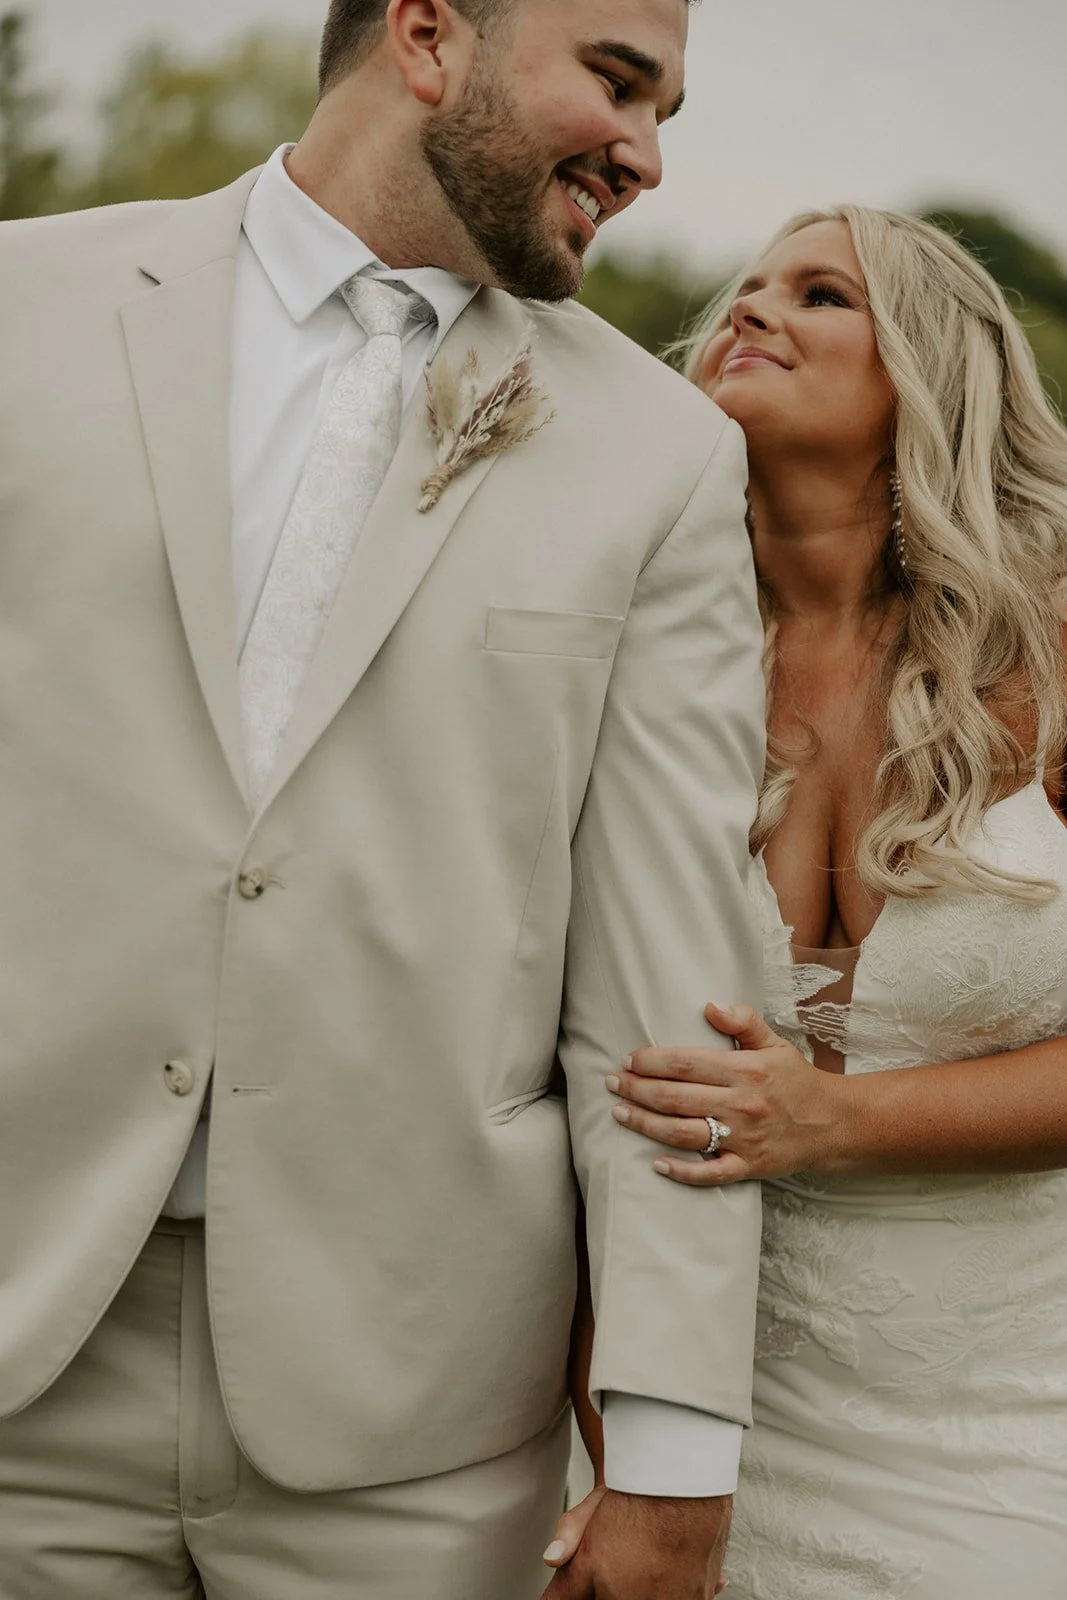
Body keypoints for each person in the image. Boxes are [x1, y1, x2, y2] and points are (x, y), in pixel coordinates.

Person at [0, 1, 769, 1597]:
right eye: (617, 83)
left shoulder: (665, 458)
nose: (645, 151)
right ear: (426, 37)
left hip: (415, 1403)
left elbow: (659, 984)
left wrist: (675, 1451)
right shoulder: (23, 312)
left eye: (668, 109)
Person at [550, 205, 1067, 1594]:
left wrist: (834, 1119)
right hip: (685, 1397)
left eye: (820, 293)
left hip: (1005, 1427)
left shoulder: (1057, 641)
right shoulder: (633, 644)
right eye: (749, 287)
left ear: (926, 371)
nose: (755, 308)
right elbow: (572, 1066)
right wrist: (614, 1446)